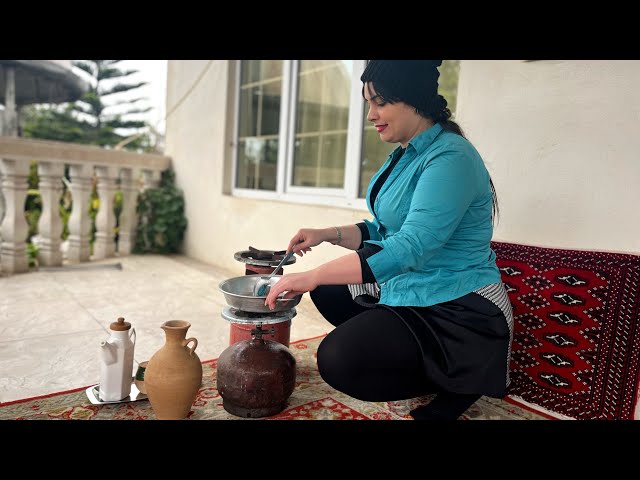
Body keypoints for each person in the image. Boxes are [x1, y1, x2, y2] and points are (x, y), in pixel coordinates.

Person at [264, 60, 514, 420]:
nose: (371, 115)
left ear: (414, 98)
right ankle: (418, 362)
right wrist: (326, 236)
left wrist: (313, 274)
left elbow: (412, 245)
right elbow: (383, 228)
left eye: (380, 102)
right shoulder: (407, 154)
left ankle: (462, 380)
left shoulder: (451, 157)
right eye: (370, 104)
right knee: (330, 290)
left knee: (339, 359)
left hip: (459, 307)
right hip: (411, 286)